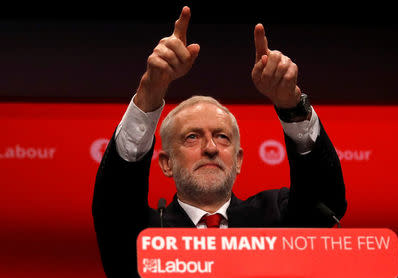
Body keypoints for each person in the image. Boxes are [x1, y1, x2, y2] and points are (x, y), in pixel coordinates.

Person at [92, 6, 346, 278]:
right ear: (166, 163)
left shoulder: (274, 216)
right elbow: (114, 203)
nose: (210, 148)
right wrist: (149, 92)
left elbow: (326, 203)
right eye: (192, 137)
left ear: (238, 161)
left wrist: (291, 106)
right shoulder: (147, 233)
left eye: (222, 137)